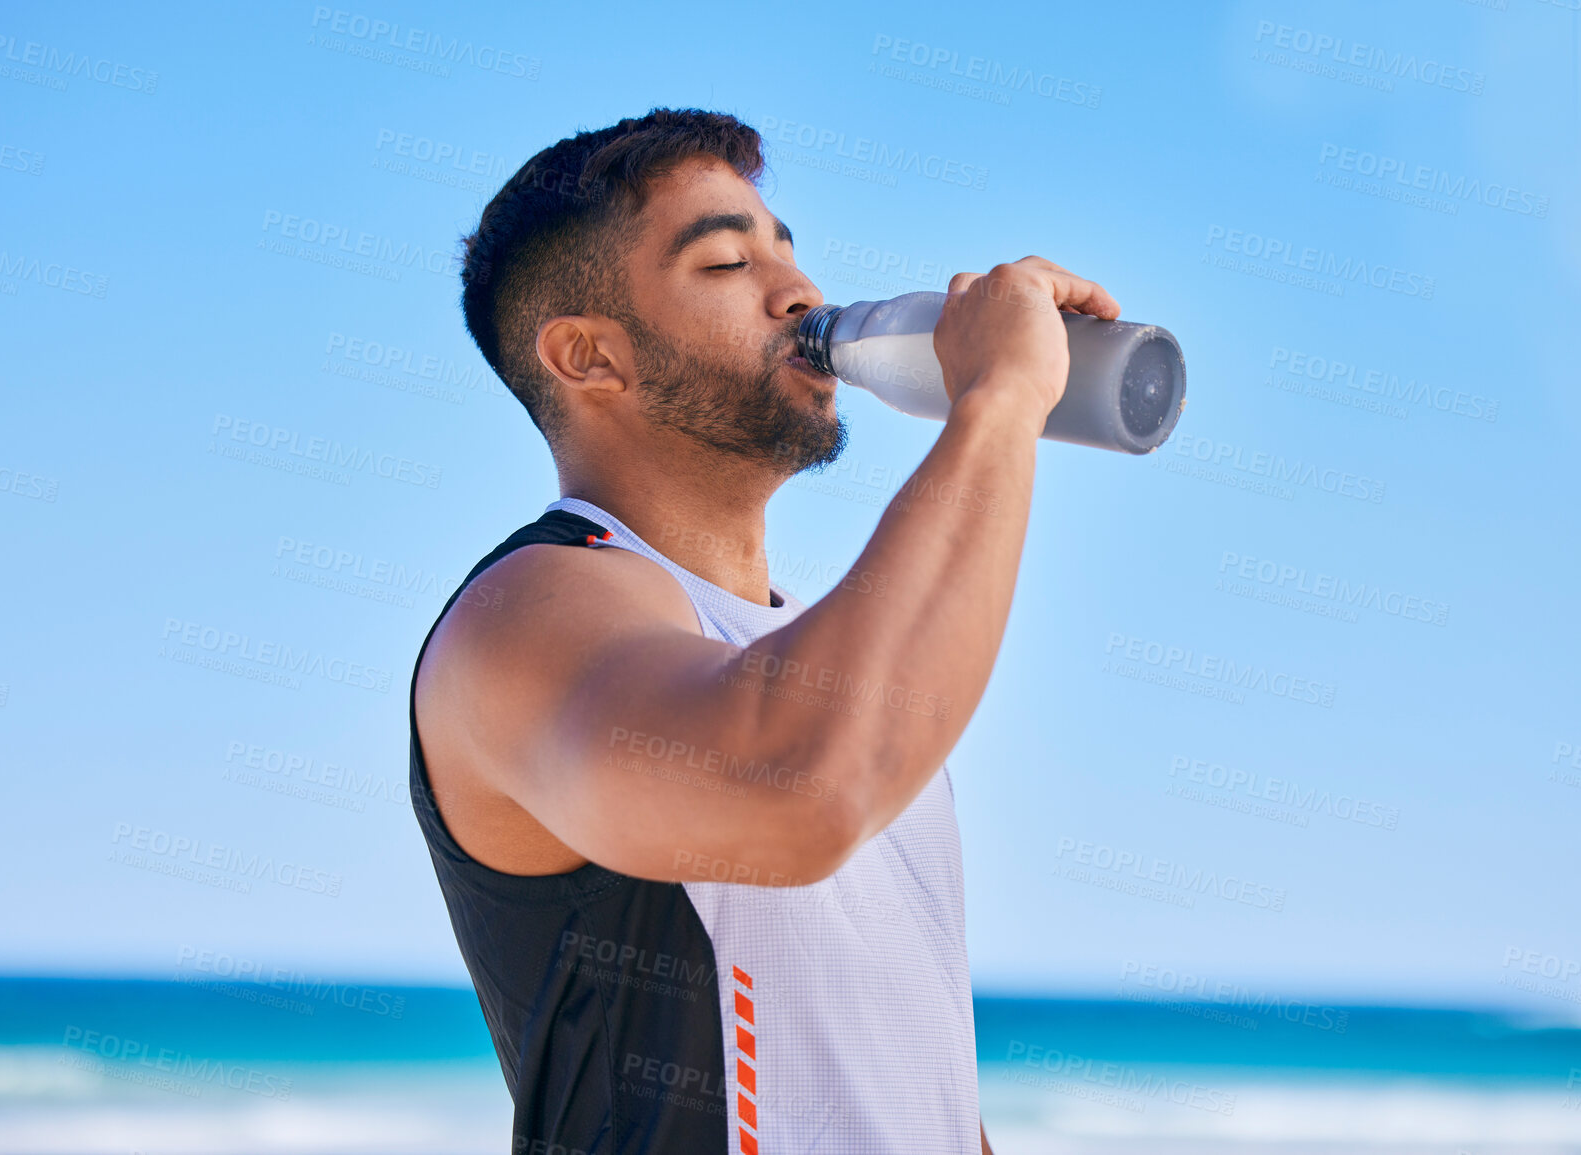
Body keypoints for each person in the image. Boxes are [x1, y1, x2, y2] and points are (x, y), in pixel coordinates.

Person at [409, 107, 1120, 1155]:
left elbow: (907, 1077)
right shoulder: (525, 616)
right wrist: (1002, 400)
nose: (800, 294)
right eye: (728, 261)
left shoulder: (825, 659)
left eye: (789, 251)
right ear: (591, 358)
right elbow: (800, 785)